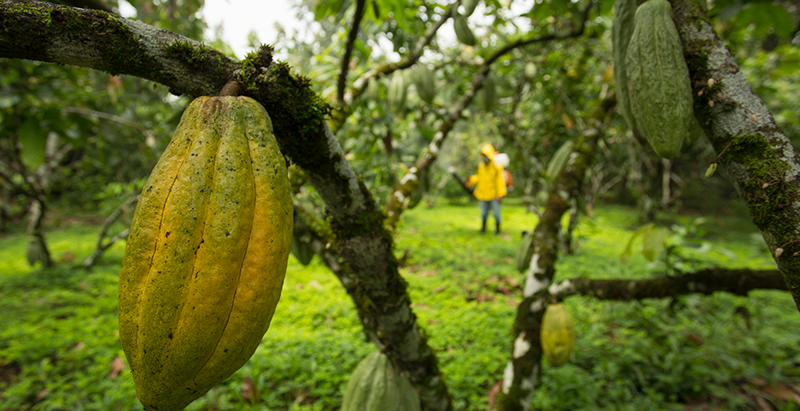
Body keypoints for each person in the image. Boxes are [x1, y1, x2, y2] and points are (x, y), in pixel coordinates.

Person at [466, 144, 507, 234]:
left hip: (494, 195)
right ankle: (483, 229)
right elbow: (478, 177)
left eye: (486, 156)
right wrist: (470, 180)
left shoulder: (497, 167)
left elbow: (500, 181)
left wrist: (501, 194)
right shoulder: (481, 166)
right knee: (484, 214)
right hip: (483, 195)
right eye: (483, 156)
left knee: (496, 214)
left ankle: (497, 230)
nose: (484, 158)